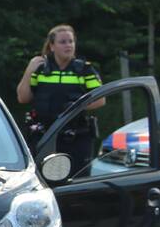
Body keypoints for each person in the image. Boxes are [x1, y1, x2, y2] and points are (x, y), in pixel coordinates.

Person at [17, 24, 104, 174]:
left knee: (76, 179)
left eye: (71, 41)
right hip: (44, 136)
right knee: (44, 178)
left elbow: (100, 100)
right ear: (52, 46)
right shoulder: (41, 69)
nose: (68, 45)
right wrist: (29, 70)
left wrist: (76, 107)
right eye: (63, 42)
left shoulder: (84, 69)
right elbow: (23, 98)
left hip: (75, 137)